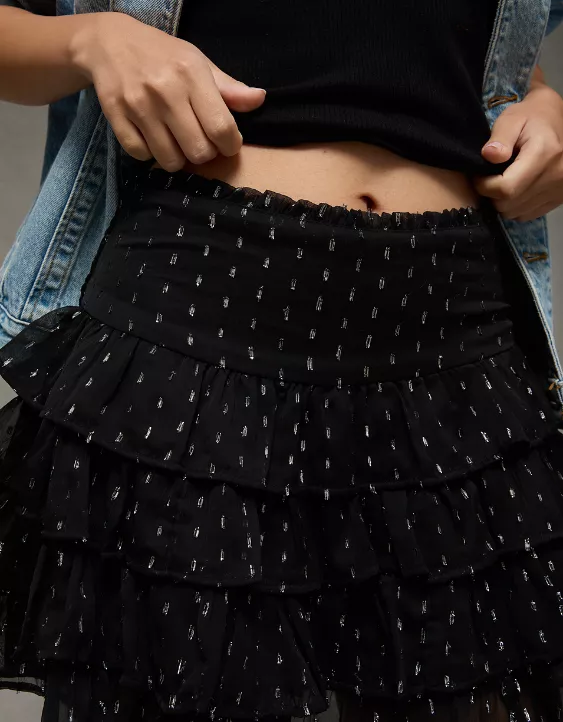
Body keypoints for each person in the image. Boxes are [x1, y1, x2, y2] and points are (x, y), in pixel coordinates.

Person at [1, 0, 563, 720]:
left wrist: (541, 104)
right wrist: (90, 39)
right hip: (194, 339)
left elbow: (462, 47)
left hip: (453, 345)